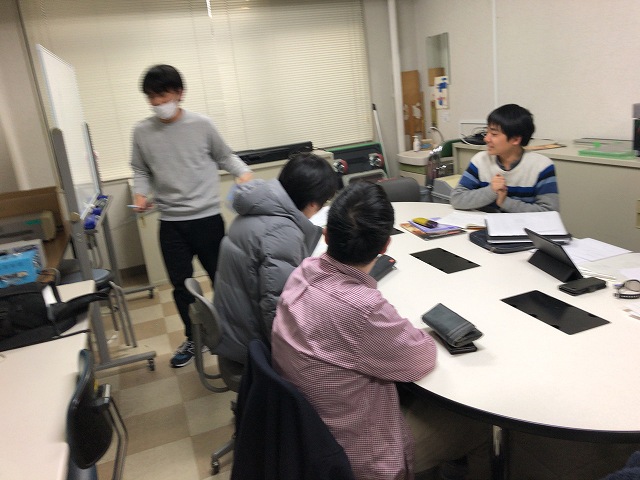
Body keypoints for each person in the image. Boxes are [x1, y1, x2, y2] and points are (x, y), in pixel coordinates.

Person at [271, 182, 490, 480]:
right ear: (386, 245)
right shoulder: (362, 309)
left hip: (304, 431)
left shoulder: (303, 271)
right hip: (355, 452)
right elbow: (421, 359)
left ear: (326, 235)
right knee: (478, 426)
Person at [131, 64, 253, 368]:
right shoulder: (142, 132)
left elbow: (225, 156)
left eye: (163, 96)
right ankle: (194, 338)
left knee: (222, 281)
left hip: (207, 219)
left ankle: (232, 334)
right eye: (152, 98)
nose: (158, 104)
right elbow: (140, 169)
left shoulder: (202, 125)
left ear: (179, 93)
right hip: (170, 223)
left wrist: (244, 174)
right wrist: (140, 194)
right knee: (181, 287)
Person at [213, 152, 338, 365]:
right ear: (312, 203)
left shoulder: (257, 208)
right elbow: (278, 312)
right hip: (250, 346)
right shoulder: (281, 232)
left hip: (232, 328)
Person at [450, 103, 559, 213]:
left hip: (521, 224)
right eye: (487, 132)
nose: (486, 139)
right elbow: (457, 199)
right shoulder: (480, 160)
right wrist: (491, 190)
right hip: (483, 222)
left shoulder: (541, 166)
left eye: (494, 134)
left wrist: (505, 202)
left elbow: (549, 212)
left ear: (515, 139)